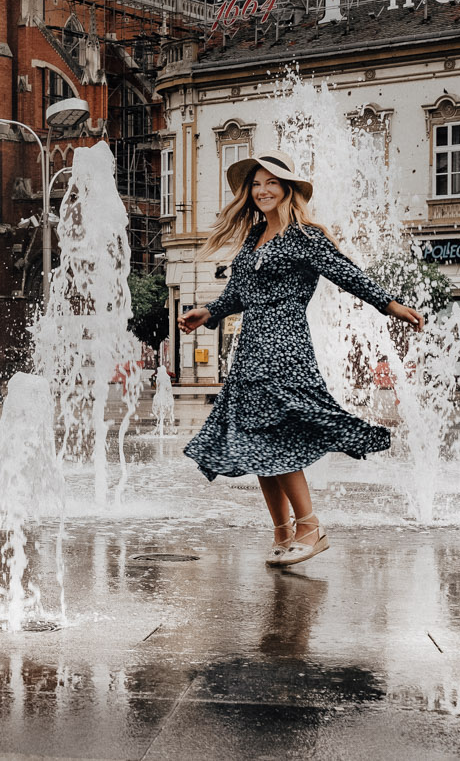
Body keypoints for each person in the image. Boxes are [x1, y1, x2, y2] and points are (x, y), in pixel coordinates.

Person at [180, 153, 424, 568]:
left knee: (276, 439)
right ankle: (283, 532)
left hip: (285, 348)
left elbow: (346, 273)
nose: (263, 190)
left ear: (288, 189)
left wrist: (389, 304)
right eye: (256, 184)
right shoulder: (255, 237)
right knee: (256, 443)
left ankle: (310, 527)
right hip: (251, 352)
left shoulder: (304, 237)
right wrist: (210, 311)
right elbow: (240, 294)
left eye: (272, 183)